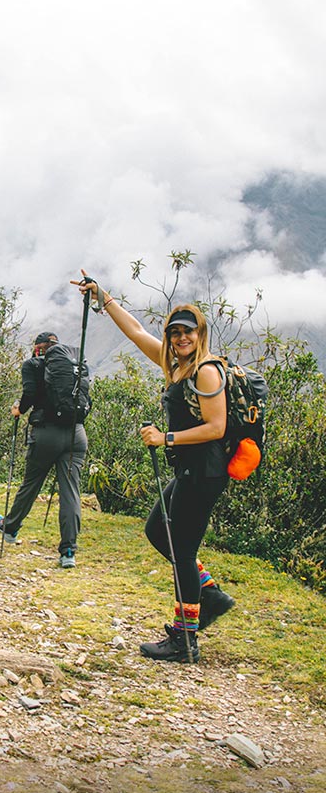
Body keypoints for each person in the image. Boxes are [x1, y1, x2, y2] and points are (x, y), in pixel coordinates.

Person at [75, 270, 235, 663]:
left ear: (200, 335)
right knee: (157, 531)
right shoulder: (175, 365)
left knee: (181, 547)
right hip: (189, 470)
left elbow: (217, 427)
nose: (181, 338)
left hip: (205, 472)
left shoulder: (207, 370)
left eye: (188, 332)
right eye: (175, 333)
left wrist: (167, 438)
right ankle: (209, 594)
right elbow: (133, 331)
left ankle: (185, 639)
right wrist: (103, 297)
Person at [0, 331, 88, 568]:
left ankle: (10, 527)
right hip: (76, 433)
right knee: (70, 492)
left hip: (46, 432)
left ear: (38, 348)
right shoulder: (73, 365)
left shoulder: (32, 364)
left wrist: (19, 410)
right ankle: (68, 552)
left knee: (32, 483)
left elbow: (31, 393)